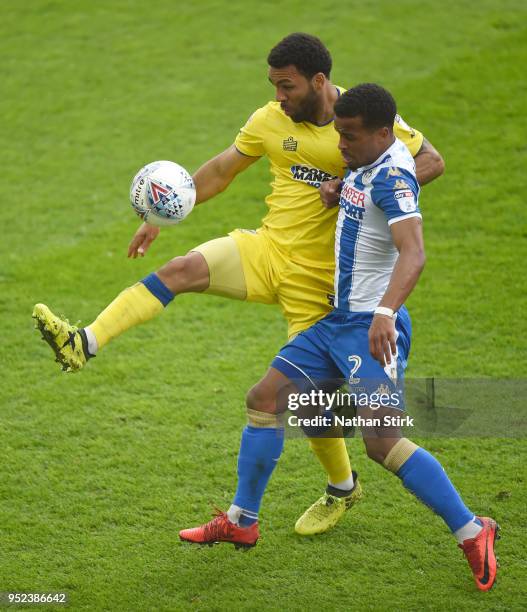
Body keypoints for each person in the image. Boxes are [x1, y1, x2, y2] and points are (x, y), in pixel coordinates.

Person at [32, 33, 444, 536]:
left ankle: (342, 487)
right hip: (267, 250)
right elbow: (224, 170)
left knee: (307, 401)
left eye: (287, 86)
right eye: (273, 85)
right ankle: (84, 343)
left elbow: (431, 162)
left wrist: (361, 187)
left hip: (323, 283)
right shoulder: (268, 121)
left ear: (319, 82)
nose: (278, 96)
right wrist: (164, 214)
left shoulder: (358, 124)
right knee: (179, 270)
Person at [179, 83, 499, 592]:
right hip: (334, 323)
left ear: (382, 133)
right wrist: (337, 188)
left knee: (383, 442)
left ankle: (472, 529)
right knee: (265, 400)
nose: (340, 145)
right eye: (338, 134)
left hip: (370, 330)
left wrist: (385, 313)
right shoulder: (366, 162)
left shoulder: (394, 177)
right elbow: (354, 185)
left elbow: (413, 253)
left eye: (348, 137)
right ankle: (242, 521)